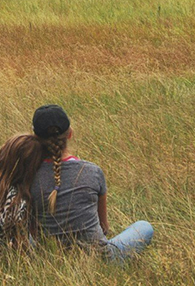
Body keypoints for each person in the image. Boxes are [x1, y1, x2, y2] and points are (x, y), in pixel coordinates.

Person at [28, 104, 153, 261]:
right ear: (70, 134)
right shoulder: (92, 171)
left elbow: (31, 230)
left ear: (34, 137)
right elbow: (104, 227)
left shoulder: (28, 176)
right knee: (144, 227)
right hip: (99, 259)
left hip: (50, 260)